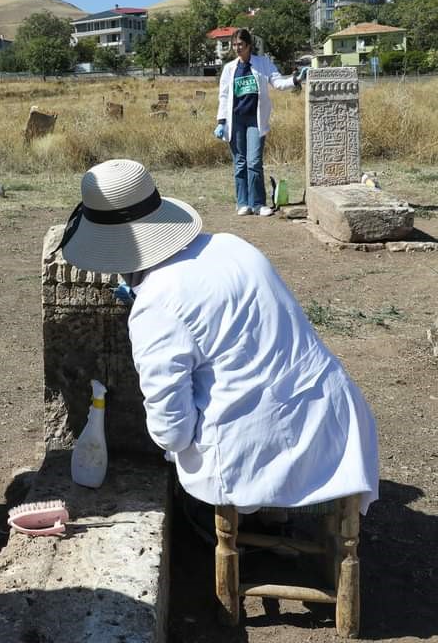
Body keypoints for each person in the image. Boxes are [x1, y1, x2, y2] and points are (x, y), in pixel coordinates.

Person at [59, 159, 379, 515]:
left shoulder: (156, 302)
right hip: (339, 427)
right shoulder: (231, 245)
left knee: (188, 464)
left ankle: (255, 528)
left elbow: (172, 432)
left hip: (264, 455)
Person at [214, 28, 307, 217]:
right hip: (235, 120)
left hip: (255, 120)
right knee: (240, 163)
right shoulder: (229, 68)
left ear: (249, 46)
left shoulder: (263, 63)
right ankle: (243, 203)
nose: (237, 48)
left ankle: (258, 203)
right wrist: (221, 121)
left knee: (254, 162)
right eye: (234, 45)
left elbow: (278, 82)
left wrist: (296, 80)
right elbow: (223, 96)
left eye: (241, 44)